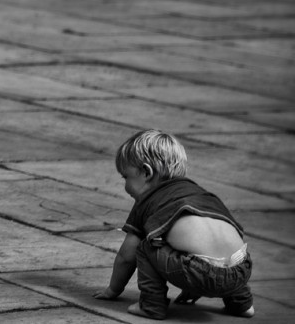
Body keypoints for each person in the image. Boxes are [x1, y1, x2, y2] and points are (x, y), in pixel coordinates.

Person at [93, 129, 254, 320]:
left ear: (146, 172)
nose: (125, 185)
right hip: (241, 270)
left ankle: (151, 305)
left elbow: (126, 257)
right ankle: (242, 305)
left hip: (199, 273)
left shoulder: (148, 202)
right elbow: (221, 239)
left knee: (145, 246)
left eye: (125, 177)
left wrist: (113, 290)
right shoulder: (202, 195)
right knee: (223, 249)